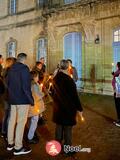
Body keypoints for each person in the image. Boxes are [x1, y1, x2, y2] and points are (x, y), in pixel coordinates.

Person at [51, 59, 83, 155]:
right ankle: (67, 149)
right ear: (68, 67)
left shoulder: (55, 78)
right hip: (68, 108)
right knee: (67, 129)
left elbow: (52, 92)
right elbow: (75, 96)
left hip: (58, 107)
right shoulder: (69, 80)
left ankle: (56, 146)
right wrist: (80, 109)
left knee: (59, 127)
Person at [6, 53, 34, 155]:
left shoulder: (11, 68)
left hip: (12, 99)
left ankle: (10, 144)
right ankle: (18, 148)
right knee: (21, 123)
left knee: (12, 121)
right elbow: (26, 86)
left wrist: (10, 97)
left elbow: (7, 83)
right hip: (22, 100)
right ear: (24, 59)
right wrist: (31, 100)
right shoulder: (24, 68)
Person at [27, 71, 45, 144]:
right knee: (34, 121)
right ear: (34, 77)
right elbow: (36, 96)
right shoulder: (34, 85)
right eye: (37, 76)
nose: (38, 78)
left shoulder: (29, 83)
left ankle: (31, 134)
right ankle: (30, 137)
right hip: (34, 106)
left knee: (33, 120)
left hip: (33, 106)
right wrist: (43, 94)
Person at [1, 57, 16, 139]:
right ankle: (7, 133)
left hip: (5, 95)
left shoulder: (4, 71)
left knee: (6, 115)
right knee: (10, 116)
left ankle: (4, 131)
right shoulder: (10, 72)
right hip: (9, 96)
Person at [112, 62, 120, 127]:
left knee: (118, 106)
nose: (116, 66)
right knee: (117, 106)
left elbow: (118, 80)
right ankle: (118, 119)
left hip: (118, 92)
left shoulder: (119, 72)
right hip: (117, 91)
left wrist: (115, 75)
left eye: (117, 65)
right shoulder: (118, 71)